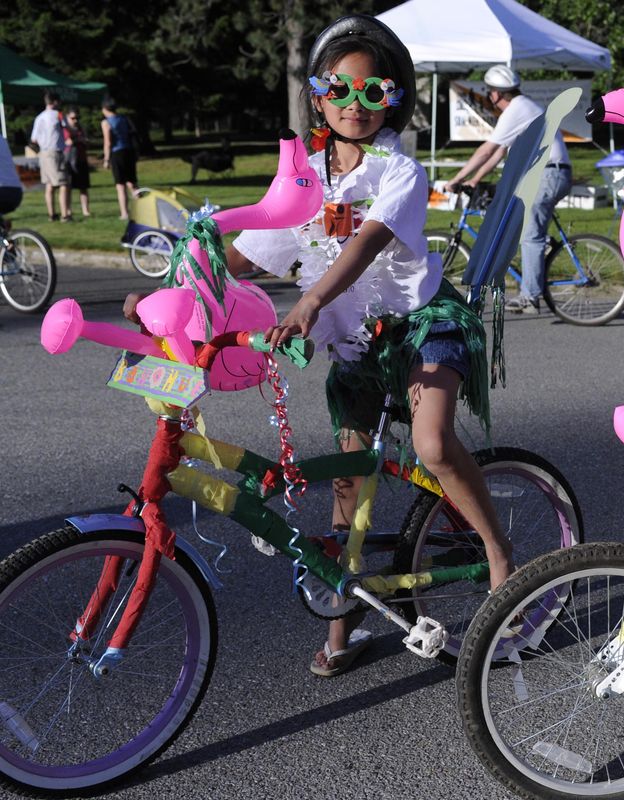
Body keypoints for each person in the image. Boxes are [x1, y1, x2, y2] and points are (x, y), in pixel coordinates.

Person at [124, 15, 515, 677]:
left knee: (431, 444)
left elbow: (367, 244)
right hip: (357, 339)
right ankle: (346, 617)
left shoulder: (400, 170)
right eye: (340, 90)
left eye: (374, 92)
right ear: (317, 95)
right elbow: (249, 252)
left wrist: (310, 300)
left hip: (421, 320)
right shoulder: (304, 174)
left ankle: (503, 556)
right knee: (348, 482)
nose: (355, 106)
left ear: (396, 98)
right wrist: (172, 287)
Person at [444, 66, 572, 314]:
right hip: (551, 173)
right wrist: (473, 180)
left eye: (490, 92)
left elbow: (486, 150)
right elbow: (499, 153)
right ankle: (541, 246)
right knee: (522, 227)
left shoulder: (516, 109)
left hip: (548, 174)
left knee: (528, 237)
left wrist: (456, 178)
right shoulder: (523, 106)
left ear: (495, 94)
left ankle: (530, 298)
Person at [30, 91, 70, 222]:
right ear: (56, 102)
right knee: (63, 183)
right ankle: (65, 215)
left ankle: (52, 215)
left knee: (49, 185)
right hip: (55, 153)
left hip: (44, 153)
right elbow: (67, 129)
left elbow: (34, 140)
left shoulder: (39, 117)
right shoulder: (57, 115)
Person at [101, 98, 138, 219]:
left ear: (105, 109)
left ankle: (124, 213)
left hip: (117, 153)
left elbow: (108, 142)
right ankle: (142, 209)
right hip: (128, 151)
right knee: (132, 183)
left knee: (120, 185)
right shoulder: (123, 118)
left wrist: (106, 159)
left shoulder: (106, 122)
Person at [63, 107, 92, 218]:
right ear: (67, 117)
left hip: (81, 159)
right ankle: (68, 210)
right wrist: (79, 140)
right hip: (70, 161)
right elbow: (68, 142)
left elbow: (87, 142)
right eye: (73, 118)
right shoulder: (65, 129)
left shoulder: (80, 128)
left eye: (77, 118)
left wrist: (83, 140)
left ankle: (86, 210)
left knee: (83, 187)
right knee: (68, 187)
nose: (75, 120)